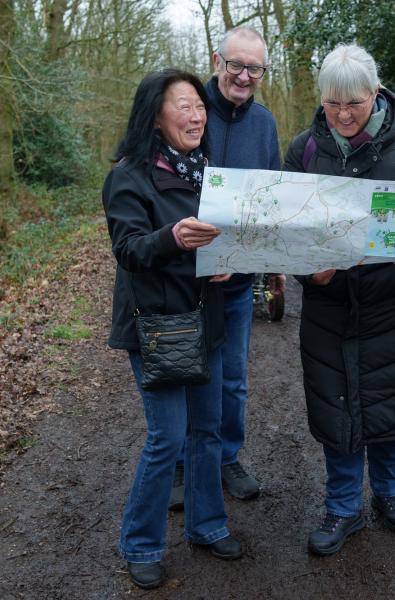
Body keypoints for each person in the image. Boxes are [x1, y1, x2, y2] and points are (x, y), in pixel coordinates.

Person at [283, 44, 395, 556]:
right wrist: (305, 270)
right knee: (338, 409)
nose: (342, 115)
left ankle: (388, 493)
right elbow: (287, 227)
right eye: (332, 104)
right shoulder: (304, 150)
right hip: (332, 307)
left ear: (376, 94)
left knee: (391, 403)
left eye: (354, 104)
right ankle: (343, 507)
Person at [102, 68, 243, 590]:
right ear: (154, 116)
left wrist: (223, 258)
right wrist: (173, 237)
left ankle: (207, 526)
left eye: (200, 106)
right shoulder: (129, 176)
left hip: (205, 318)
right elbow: (130, 251)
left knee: (207, 430)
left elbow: (214, 241)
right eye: (183, 105)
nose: (197, 114)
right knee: (168, 437)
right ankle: (140, 542)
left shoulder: (207, 170)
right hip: (157, 328)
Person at [169, 26, 281, 509]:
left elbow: (275, 195)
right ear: (218, 60)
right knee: (179, 372)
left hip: (237, 281)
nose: (244, 75)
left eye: (254, 67)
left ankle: (226, 458)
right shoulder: (192, 112)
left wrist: (274, 264)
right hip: (182, 280)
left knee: (232, 377)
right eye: (236, 64)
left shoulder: (265, 124)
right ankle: (177, 465)